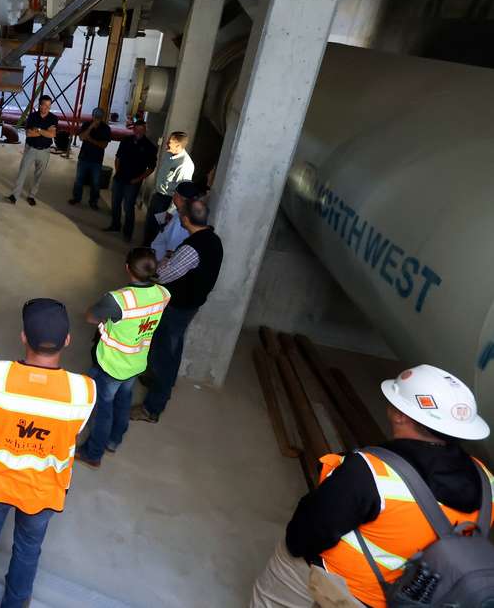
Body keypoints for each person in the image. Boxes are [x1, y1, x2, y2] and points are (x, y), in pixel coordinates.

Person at [251, 365, 494, 608]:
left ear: (400, 415)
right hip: (404, 598)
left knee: (289, 559)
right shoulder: (486, 480)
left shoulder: (371, 472)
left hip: (343, 588)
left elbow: (304, 535)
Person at [0, 299, 96, 608]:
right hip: (44, 489)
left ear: (23, 337)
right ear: (68, 341)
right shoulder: (84, 391)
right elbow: (76, 427)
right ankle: (15, 601)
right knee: (28, 548)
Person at [131, 198, 223, 423]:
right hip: (190, 305)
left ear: (185, 219)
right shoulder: (213, 239)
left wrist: (151, 268)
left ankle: (152, 408)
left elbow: (164, 275)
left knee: (163, 353)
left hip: (177, 307)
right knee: (173, 346)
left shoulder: (192, 248)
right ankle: (163, 382)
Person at [77, 248, 168, 469]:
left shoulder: (118, 299)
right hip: (136, 360)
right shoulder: (164, 294)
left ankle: (93, 452)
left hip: (111, 363)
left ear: (127, 268)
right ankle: (114, 441)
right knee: (124, 399)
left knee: (103, 408)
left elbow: (90, 317)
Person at [104, 120, 157, 242]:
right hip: (119, 178)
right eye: (136, 130)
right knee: (115, 203)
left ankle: (127, 233)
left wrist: (138, 179)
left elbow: (151, 168)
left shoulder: (150, 147)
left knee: (128, 207)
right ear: (133, 130)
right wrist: (117, 171)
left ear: (145, 130)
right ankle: (115, 225)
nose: (138, 132)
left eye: (141, 130)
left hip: (133, 182)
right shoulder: (126, 140)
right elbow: (118, 157)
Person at [141, 132, 195, 247]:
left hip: (167, 201)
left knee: (158, 231)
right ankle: (144, 249)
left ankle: (151, 254)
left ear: (178, 146)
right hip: (158, 197)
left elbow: (180, 193)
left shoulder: (184, 165)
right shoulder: (169, 155)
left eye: (169, 142)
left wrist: (170, 212)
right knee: (149, 226)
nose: (166, 144)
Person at [7, 95, 57, 206]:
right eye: (44, 105)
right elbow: (29, 134)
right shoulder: (32, 116)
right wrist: (45, 132)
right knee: (22, 172)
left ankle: (31, 196)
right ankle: (14, 196)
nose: (46, 108)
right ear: (40, 105)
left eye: (49, 106)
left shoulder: (53, 118)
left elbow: (52, 134)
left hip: (45, 151)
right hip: (31, 149)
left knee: (38, 175)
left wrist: (38, 130)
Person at [67, 107, 111, 209]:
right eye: (95, 117)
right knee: (79, 180)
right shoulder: (87, 124)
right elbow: (82, 137)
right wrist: (90, 128)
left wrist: (90, 140)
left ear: (102, 118)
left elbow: (104, 145)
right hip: (84, 157)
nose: (97, 119)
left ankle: (93, 201)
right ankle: (76, 198)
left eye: (99, 118)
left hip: (97, 160)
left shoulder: (106, 128)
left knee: (95, 183)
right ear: (92, 116)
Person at [149, 180, 202, 261]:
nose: (173, 196)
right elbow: (165, 221)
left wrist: (161, 270)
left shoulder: (182, 222)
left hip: (158, 261)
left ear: (179, 197)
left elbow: (171, 252)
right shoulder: (180, 211)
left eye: (175, 193)